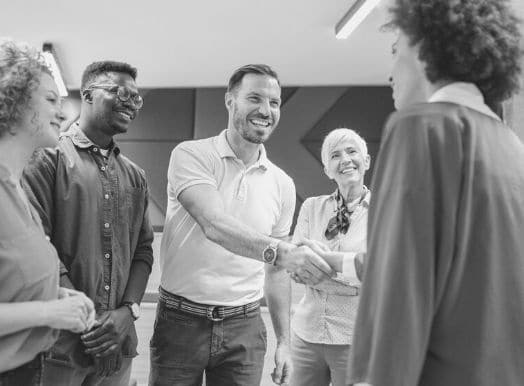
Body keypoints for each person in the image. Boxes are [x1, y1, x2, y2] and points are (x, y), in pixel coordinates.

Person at [347, 1, 524, 385]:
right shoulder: (512, 148)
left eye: (397, 53)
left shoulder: (423, 128)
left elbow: (398, 291)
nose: (391, 74)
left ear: (426, 49)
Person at [149, 64, 334, 386]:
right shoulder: (193, 155)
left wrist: (285, 343)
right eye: (254, 98)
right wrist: (286, 252)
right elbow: (215, 224)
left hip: (245, 325)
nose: (266, 110)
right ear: (230, 100)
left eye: (274, 103)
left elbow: (275, 272)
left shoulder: (282, 184)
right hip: (180, 321)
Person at [0, 39, 95, 386]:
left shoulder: (13, 188)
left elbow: (2, 285)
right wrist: (50, 311)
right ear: (9, 104)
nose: (64, 113)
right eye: (50, 100)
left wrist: (57, 297)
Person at [22, 61, 154, 386]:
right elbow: (36, 247)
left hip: (119, 345)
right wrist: (91, 321)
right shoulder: (46, 158)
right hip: (60, 345)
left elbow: (143, 251)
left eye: (135, 97)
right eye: (118, 91)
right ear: (88, 95)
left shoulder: (135, 176)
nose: (129, 102)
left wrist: (127, 313)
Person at [288, 128, 370, 386]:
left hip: (355, 338)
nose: (345, 159)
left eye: (352, 151)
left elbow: (380, 273)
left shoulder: (387, 211)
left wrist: (320, 266)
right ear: (327, 169)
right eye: (335, 155)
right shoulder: (312, 207)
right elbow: (296, 267)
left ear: (366, 161)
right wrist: (352, 283)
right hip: (306, 335)